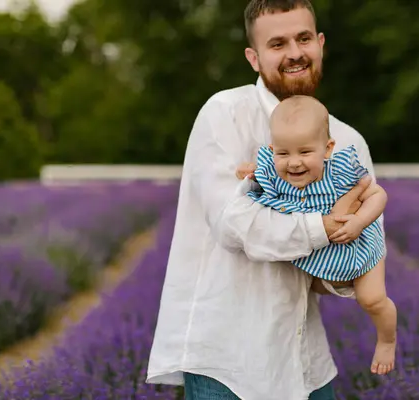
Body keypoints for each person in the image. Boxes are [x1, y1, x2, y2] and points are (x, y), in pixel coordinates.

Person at [146, 0, 392, 398]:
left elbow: (360, 255)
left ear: (321, 43)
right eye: (277, 43)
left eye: (304, 38)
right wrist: (326, 226)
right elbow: (234, 224)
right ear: (254, 57)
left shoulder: (347, 142)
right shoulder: (224, 114)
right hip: (227, 366)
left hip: (307, 364)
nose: (295, 53)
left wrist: (347, 268)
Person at [235, 95, 397, 375]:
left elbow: (378, 195)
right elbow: (253, 190)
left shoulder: (341, 171)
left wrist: (359, 221)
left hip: (362, 247)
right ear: (272, 149)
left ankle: (387, 339)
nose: (294, 163)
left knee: (371, 298)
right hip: (323, 258)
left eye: (305, 152)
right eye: (283, 153)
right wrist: (247, 172)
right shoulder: (273, 174)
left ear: (328, 148)